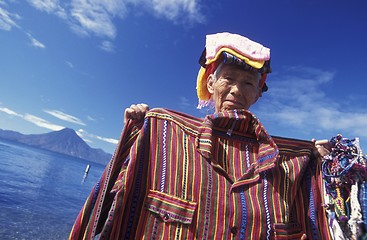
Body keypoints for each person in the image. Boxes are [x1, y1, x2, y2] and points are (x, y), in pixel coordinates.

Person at [69, 32, 363, 239]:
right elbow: (103, 207)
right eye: (229, 79)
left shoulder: (288, 164)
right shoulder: (161, 137)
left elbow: (321, 219)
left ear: (257, 95)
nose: (237, 89)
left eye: (249, 83)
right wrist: (136, 132)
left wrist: (318, 161)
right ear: (211, 82)